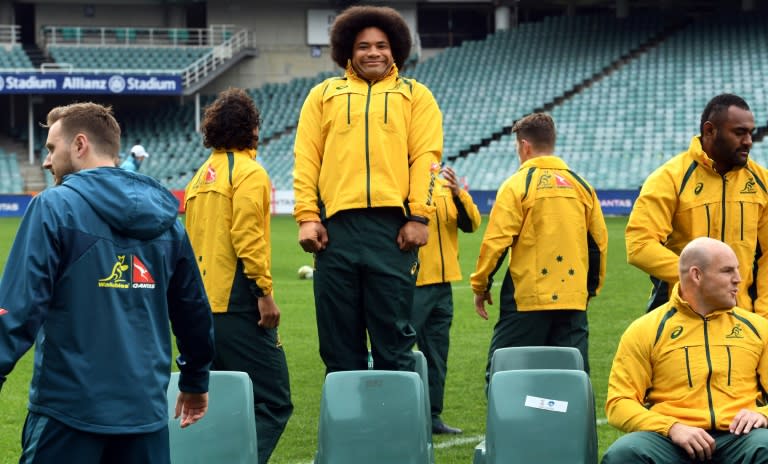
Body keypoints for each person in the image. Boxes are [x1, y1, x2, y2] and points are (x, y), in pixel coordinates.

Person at [0, 102, 214, 463]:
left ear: (79, 145)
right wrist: (194, 380)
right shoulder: (169, 222)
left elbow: (18, 309)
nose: (46, 161)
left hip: (67, 415)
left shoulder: (53, 207)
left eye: (52, 149)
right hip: (145, 418)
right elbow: (193, 310)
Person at [293, 5, 443, 373]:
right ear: (348, 50)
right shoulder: (323, 95)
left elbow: (426, 158)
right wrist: (307, 216)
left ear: (396, 50)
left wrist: (419, 216)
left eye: (381, 45)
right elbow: (306, 159)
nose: (373, 52)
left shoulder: (416, 95)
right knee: (338, 344)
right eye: (363, 46)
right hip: (335, 232)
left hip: (393, 232)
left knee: (394, 342)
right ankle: (349, 430)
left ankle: (398, 430)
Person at [184, 87, 292, 464]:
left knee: (212, 399)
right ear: (252, 129)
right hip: (236, 303)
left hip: (198, 306)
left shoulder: (199, 177)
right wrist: (263, 292)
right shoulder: (249, 172)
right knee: (274, 400)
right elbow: (247, 236)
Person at [603, 237, 768, 463]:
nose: (738, 279)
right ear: (697, 275)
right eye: (727, 271)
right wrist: (672, 427)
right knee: (624, 453)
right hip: (670, 441)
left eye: (738, 270)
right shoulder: (646, 330)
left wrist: (761, 414)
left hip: (740, 438)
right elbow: (618, 403)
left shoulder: (758, 328)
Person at [470, 112, 607, 382]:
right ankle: (569, 425)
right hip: (573, 298)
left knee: (506, 375)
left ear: (524, 146)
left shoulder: (517, 185)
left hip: (527, 298)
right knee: (571, 378)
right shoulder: (582, 186)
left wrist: (480, 285)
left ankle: (513, 424)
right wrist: (589, 289)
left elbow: (497, 242)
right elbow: (598, 244)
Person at [626, 94, 768, 315]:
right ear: (710, 131)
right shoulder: (670, 178)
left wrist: (762, 315)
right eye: (739, 132)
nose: (749, 141)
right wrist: (698, 278)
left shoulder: (762, 182)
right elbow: (639, 245)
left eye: (750, 133)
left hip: (742, 318)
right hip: (682, 313)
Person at [412, 164, 480, 435]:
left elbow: (472, 223)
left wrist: (457, 193)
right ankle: (393, 411)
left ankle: (432, 417)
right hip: (411, 284)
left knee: (437, 355)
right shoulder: (403, 184)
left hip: (443, 286)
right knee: (397, 352)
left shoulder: (444, 188)